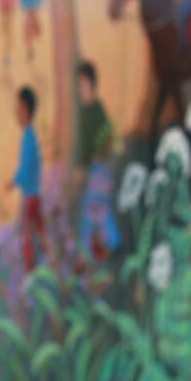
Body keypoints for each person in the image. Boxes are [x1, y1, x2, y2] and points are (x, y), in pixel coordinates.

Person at [74, 61, 119, 261]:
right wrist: (81, 167)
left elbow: (108, 134)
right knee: (100, 207)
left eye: (84, 85)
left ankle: (85, 253)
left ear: (93, 85)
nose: (81, 90)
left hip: (102, 167)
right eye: (79, 86)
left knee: (91, 207)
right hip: (94, 167)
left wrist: (101, 153)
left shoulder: (97, 108)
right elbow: (84, 144)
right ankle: (113, 242)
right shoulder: (84, 111)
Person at [7, 85, 46, 271]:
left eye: (19, 109)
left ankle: (31, 267)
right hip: (34, 193)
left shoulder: (28, 137)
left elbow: (26, 167)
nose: (17, 113)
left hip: (31, 194)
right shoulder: (30, 135)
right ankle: (44, 261)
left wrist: (13, 182)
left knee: (27, 232)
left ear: (27, 111)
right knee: (38, 229)